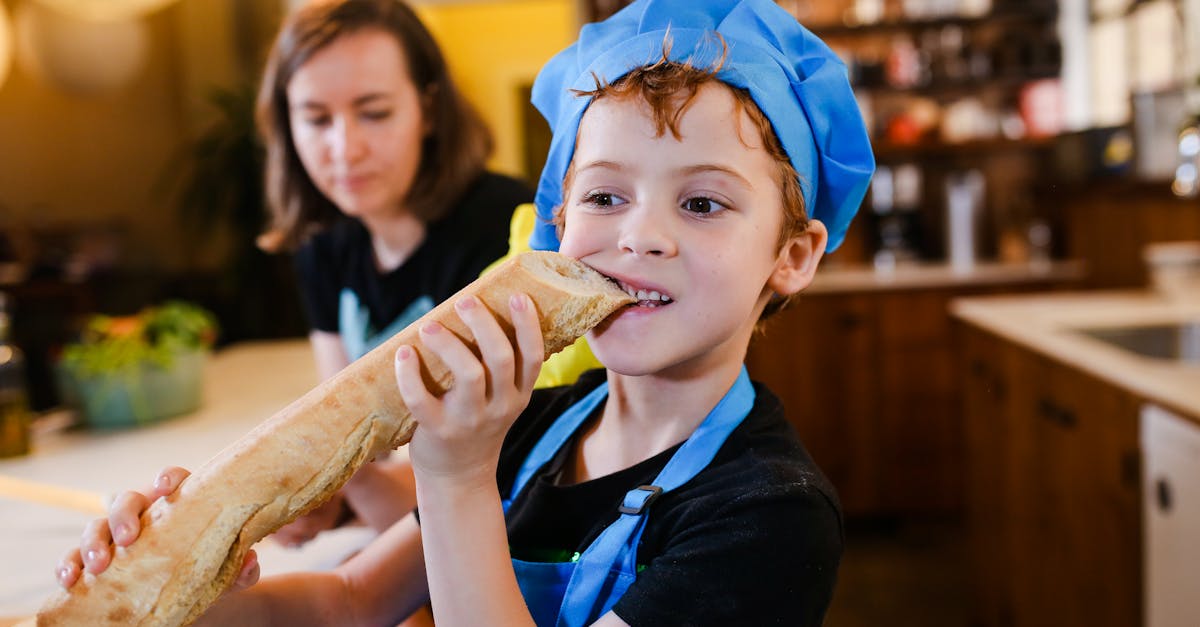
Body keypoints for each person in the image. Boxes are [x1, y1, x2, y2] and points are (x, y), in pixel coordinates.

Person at [56, 0, 874, 624]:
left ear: (793, 254)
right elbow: (347, 601)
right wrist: (188, 589)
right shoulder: (533, 427)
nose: (639, 235)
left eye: (701, 202)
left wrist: (456, 476)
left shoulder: (770, 516)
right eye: (604, 196)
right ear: (558, 221)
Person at [254, 0, 534, 543]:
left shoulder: (505, 229)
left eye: (375, 112)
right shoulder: (322, 244)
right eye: (316, 119)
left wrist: (344, 481)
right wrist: (324, 500)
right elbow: (349, 437)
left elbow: (506, 471)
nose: (345, 149)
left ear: (428, 110)